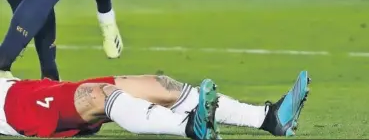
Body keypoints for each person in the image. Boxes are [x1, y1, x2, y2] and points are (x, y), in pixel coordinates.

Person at [0, 71, 310, 138]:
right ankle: (190, 127)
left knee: (159, 85)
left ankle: (268, 118)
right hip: (13, 105)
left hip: (28, 88)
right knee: (98, 96)